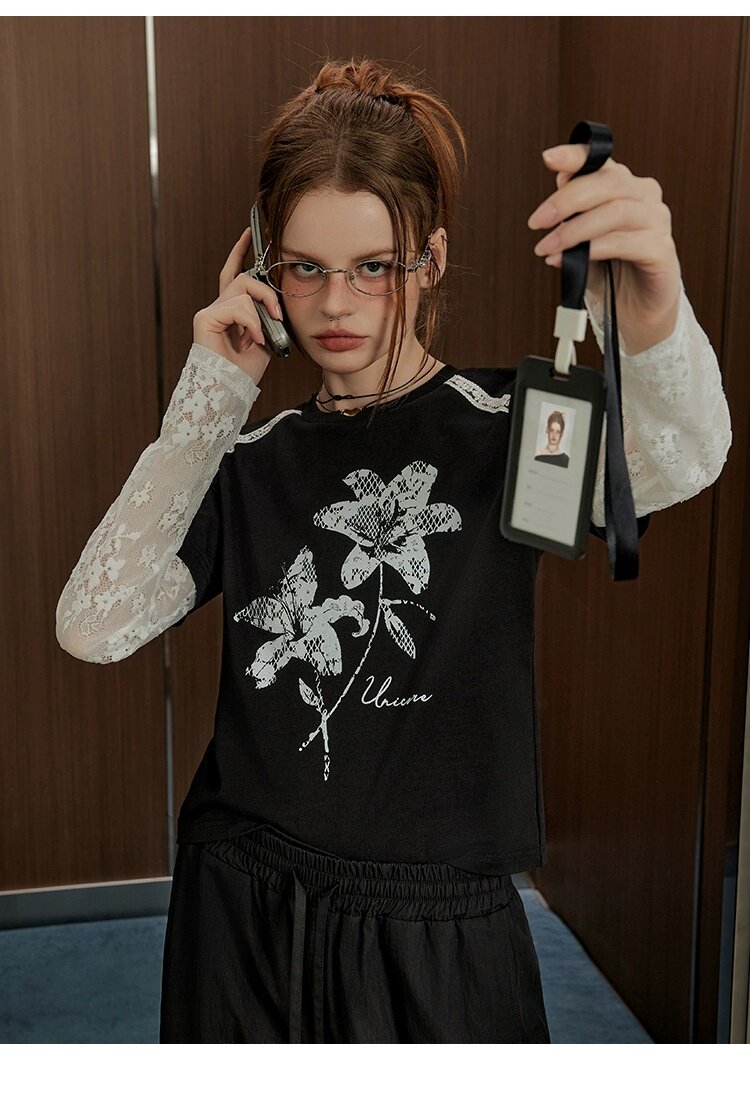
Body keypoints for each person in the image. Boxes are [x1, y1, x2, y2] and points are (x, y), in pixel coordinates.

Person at [55, 56, 732, 1043]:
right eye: (306, 267)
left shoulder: (507, 426)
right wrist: (213, 392)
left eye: (374, 266)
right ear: (262, 267)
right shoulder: (246, 460)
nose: (338, 304)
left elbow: (682, 459)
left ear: (431, 259)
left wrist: (653, 311)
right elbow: (94, 626)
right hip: (242, 906)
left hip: (439, 930)